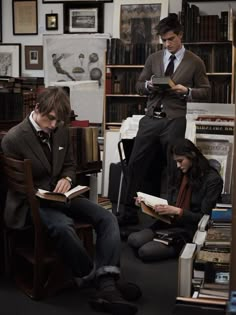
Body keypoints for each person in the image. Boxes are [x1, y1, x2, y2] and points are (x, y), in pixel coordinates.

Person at [1, 86, 140, 315]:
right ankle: (101, 281)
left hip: (62, 197)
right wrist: (44, 193)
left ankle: (105, 281)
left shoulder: (61, 130)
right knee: (64, 228)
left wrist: (67, 178)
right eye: (51, 119)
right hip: (33, 203)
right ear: (37, 108)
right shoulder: (14, 139)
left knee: (107, 218)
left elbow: (69, 165)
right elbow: (15, 186)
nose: (54, 125)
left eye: (59, 120)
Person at [117, 13, 210, 227]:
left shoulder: (195, 62)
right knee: (135, 163)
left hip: (174, 120)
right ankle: (128, 213)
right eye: (164, 40)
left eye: (171, 39)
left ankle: (167, 217)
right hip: (150, 119)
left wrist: (185, 91)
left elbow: (206, 91)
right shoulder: (154, 59)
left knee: (172, 168)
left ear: (180, 35)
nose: (167, 44)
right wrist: (149, 86)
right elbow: (139, 86)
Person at [127, 138, 223, 262]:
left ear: (192, 156)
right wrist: (147, 204)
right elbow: (170, 204)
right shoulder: (182, 173)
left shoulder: (212, 180)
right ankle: (162, 242)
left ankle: (178, 245)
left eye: (180, 161)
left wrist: (178, 211)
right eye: (176, 161)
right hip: (170, 222)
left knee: (145, 252)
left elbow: (204, 219)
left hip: (189, 229)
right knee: (133, 239)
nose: (178, 165)